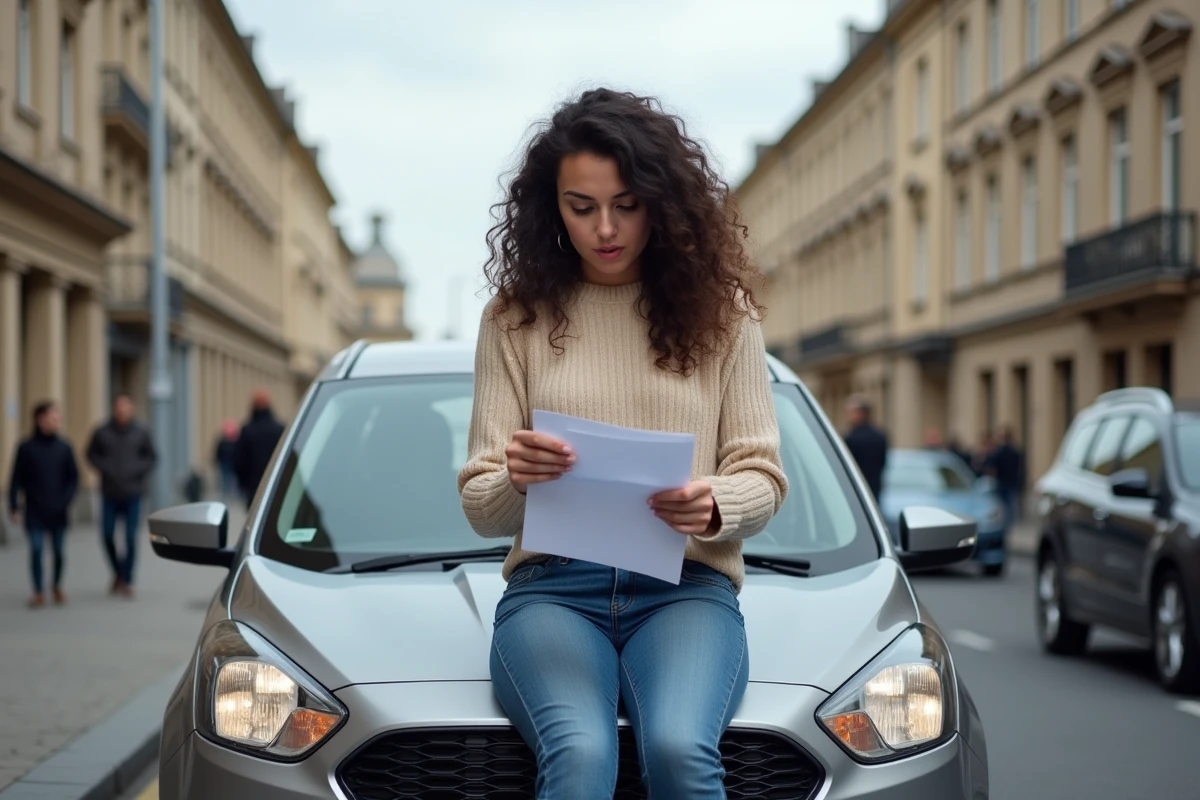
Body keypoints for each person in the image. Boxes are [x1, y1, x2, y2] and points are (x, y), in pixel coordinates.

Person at [457, 88, 788, 799]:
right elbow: (481, 508)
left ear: (662, 204)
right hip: (553, 593)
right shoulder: (513, 320)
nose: (605, 228)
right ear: (553, 209)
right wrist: (518, 479)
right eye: (582, 207)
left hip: (686, 591)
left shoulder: (724, 315)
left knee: (676, 750)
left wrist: (715, 502)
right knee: (578, 755)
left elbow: (762, 474)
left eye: (627, 205)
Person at [8, 401, 79, 608]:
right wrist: (13, 506)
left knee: (57, 551)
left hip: (58, 510)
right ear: (40, 420)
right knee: (37, 549)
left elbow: (73, 478)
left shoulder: (64, 447)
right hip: (34, 510)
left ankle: (56, 585)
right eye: (53, 418)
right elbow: (16, 479)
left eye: (58, 419)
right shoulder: (26, 447)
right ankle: (38, 591)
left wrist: (66, 500)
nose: (57, 422)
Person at [87, 394, 157, 597]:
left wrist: (136, 470)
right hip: (109, 492)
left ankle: (126, 579)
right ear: (114, 408)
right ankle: (118, 571)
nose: (122, 411)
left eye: (126, 407)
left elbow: (151, 458)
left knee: (130, 537)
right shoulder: (102, 432)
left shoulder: (141, 432)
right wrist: (106, 468)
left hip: (133, 493)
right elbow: (91, 454)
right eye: (119, 407)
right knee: (107, 534)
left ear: (132, 409)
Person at [234, 389, 284, 508]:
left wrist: (243, 484)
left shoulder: (247, 430)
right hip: (275, 485)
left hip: (253, 487)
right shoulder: (279, 429)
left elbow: (239, 461)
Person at [843, 395, 888, 501]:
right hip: (874, 487)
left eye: (851, 413)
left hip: (855, 487)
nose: (848, 416)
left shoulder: (852, 438)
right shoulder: (880, 435)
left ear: (861, 414)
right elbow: (883, 462)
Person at [990, 425, 1025, 529]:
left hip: (1002, 482)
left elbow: (993, 468)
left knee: (1004, 506)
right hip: (1012, 482)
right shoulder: (1015, 452)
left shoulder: (999, 452)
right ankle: (1010, 524)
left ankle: (1005, 525)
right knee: (1010, 505)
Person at [213, 419, 239, 498]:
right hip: (224, 464)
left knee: (232, 480)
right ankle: (226, 494)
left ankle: (231, 494)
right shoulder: (223, 442)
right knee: (225, 480)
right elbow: (218, 452)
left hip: (232, 464)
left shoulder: (235, 442)